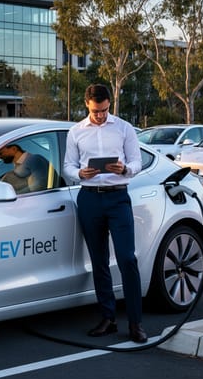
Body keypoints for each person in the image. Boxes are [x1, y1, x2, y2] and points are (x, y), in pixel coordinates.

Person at [63, 84, 147, 343]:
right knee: (98, 261)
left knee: (126, 259)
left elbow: (137, 162)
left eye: (104, 110)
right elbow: (67, 165)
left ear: (110, 103)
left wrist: (124, 169)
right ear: (87, 104)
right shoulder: (76, 132)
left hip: (118, 197)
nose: (100, 115)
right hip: (89, 199)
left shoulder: (124, 128)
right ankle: (108, 319)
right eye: (96, 111)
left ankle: (135, 323)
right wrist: (79, 174)